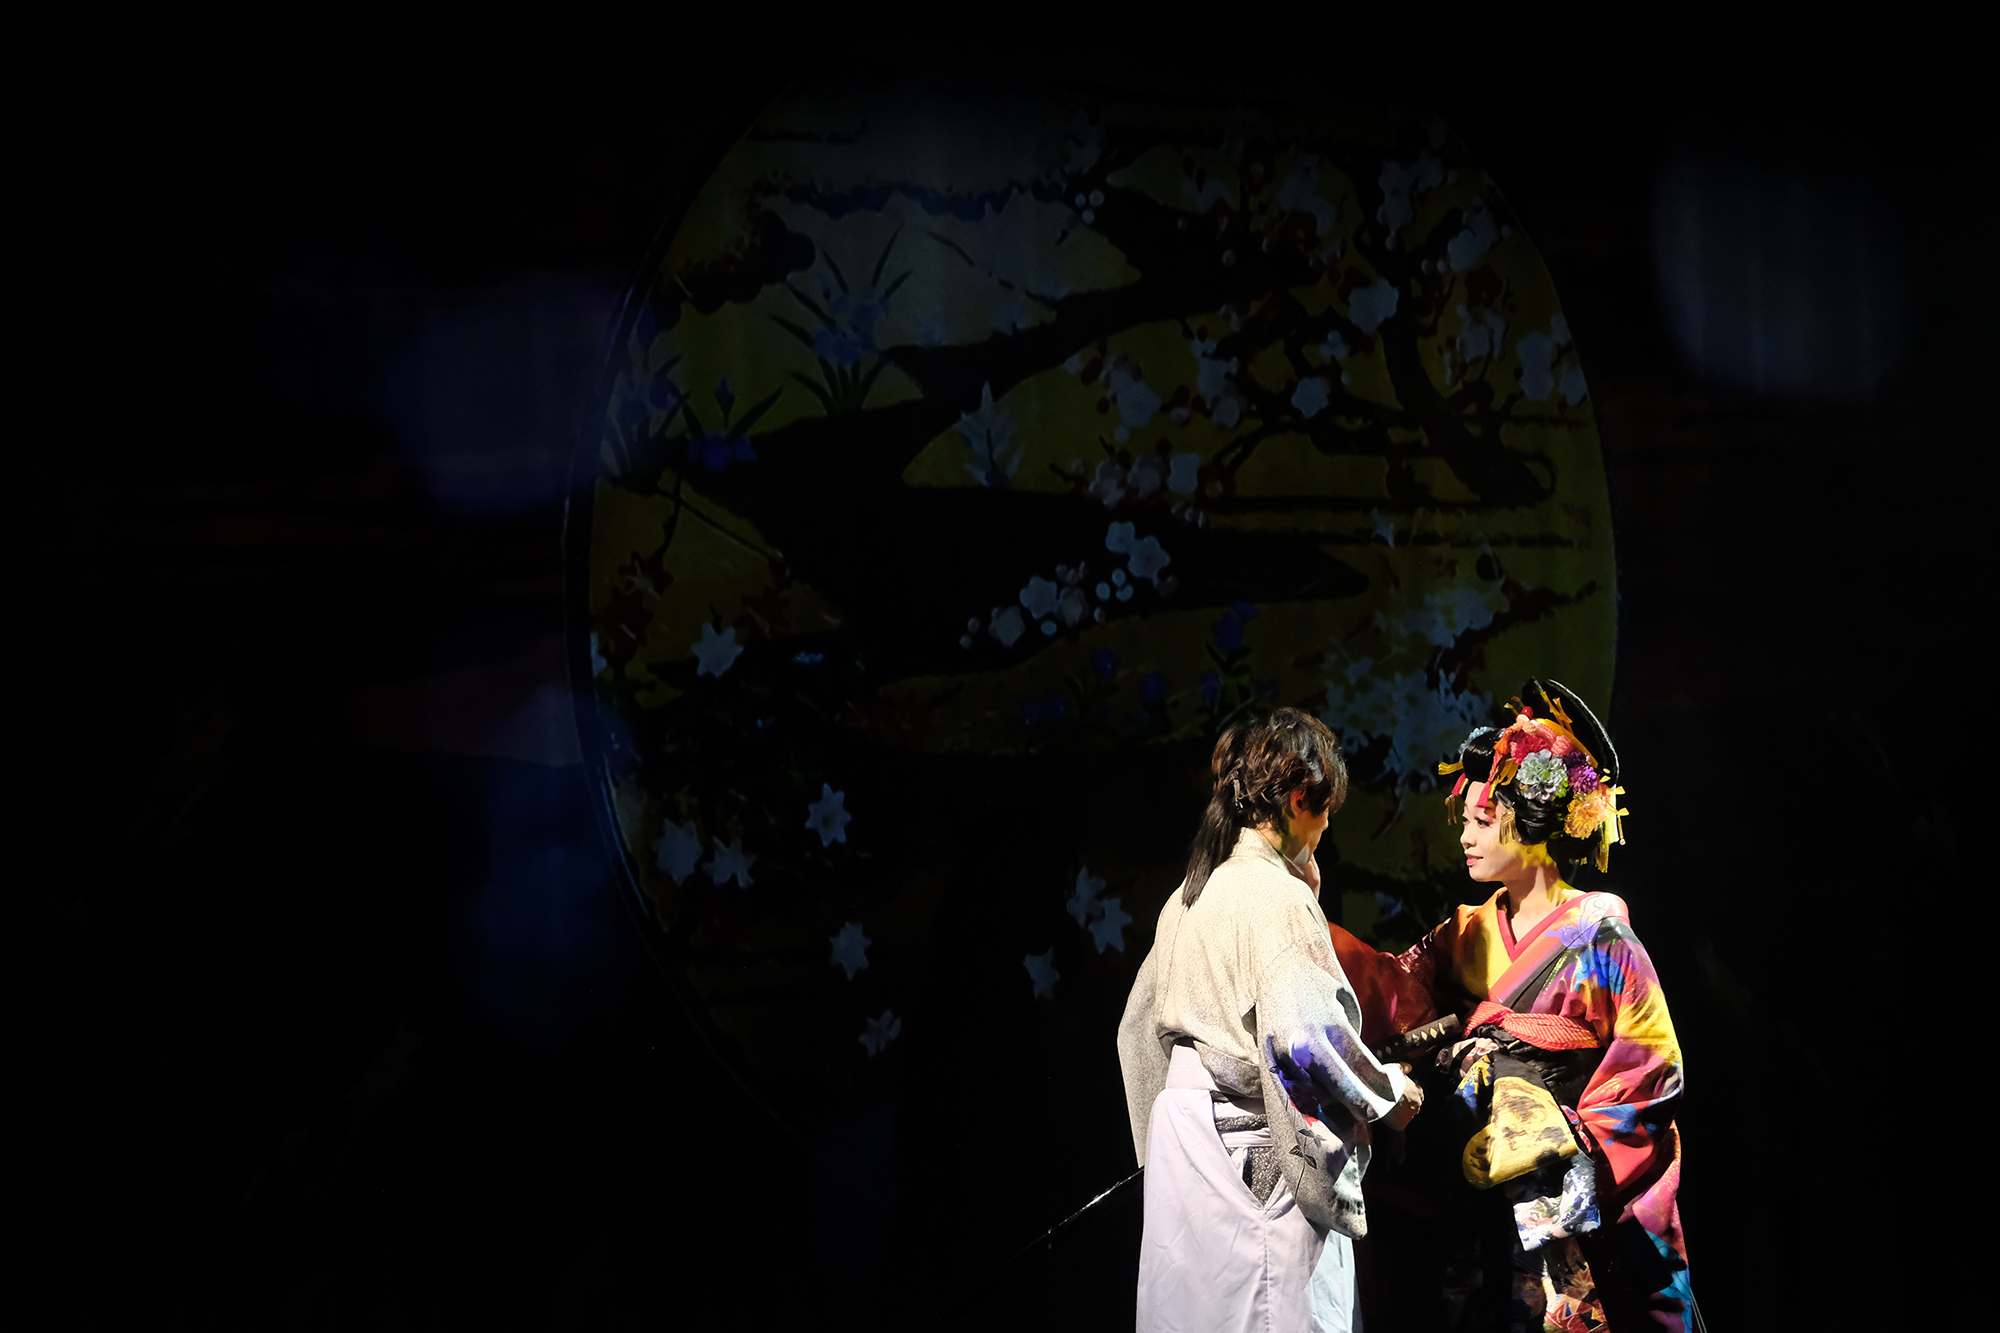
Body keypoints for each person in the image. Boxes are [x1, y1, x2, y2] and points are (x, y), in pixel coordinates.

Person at [1396, 679, 1693, 1330]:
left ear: (1530, 821)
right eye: (1464, 821)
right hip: (1481, 1187)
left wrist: (1574, 1154)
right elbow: (1391, 991)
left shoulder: (1600, 934)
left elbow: (1652, 1066)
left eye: (1482, 821)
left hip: (1571, 1185)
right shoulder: (1462, 934)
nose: (1466, 837)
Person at [1118, 708, 1423, 1332]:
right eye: (1326, 808)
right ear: (1300, 797)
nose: (1328, 825)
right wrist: (1386, 1094)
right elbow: (1305, 1037)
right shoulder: (1274, 894)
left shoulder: (1186, 897)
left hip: (1186, 1157)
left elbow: (1135, 1034)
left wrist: (1160, 1154)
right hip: (1252, 1159)